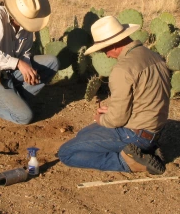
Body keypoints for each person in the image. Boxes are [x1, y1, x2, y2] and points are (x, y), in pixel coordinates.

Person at [58, 16, 170, 174]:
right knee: (82, 134)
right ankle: (145, 152)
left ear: (115, 43)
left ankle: (128, 162)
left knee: (66, 153)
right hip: (154, 130)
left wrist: (102, 119)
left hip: (135, 135)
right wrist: (110, 113)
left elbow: (117, 119)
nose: (106, 55)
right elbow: (144, 98)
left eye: (104, 48)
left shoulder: (122, 69)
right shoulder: (153, 55)